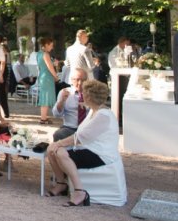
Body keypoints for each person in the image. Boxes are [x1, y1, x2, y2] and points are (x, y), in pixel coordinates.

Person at [45, 79, 120, 207]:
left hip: (100, 154)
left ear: (90, 97)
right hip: (89, 149)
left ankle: (80, 191)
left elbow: (80, 137)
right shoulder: (94, 110)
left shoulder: (103, 116)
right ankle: (61, 184)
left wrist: (59, 143)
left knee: (59, 151)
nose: (82, 95)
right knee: (51, 150)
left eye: (84, 94)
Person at [51, 67, 88, 141]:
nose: (80, 83)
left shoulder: (91, 93)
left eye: (83, 80)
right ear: (72, 80)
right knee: (58, 134)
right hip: (70, 128)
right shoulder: (64, 92)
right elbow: (56, 114)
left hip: (88, 128)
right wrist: (62, 101)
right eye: (77, 80)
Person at [36, 37, 59, 125]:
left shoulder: (39, 53)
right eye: (51, 45)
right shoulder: (46, 54)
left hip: (43, 76)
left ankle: (44, 117)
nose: (52, 47)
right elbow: (50, 67)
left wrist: (54, 64)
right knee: (45, 97)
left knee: (44, 97)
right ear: (46, 45)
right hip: (47, 77)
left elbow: (45, 65)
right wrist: (56, 76)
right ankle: (43, 119)